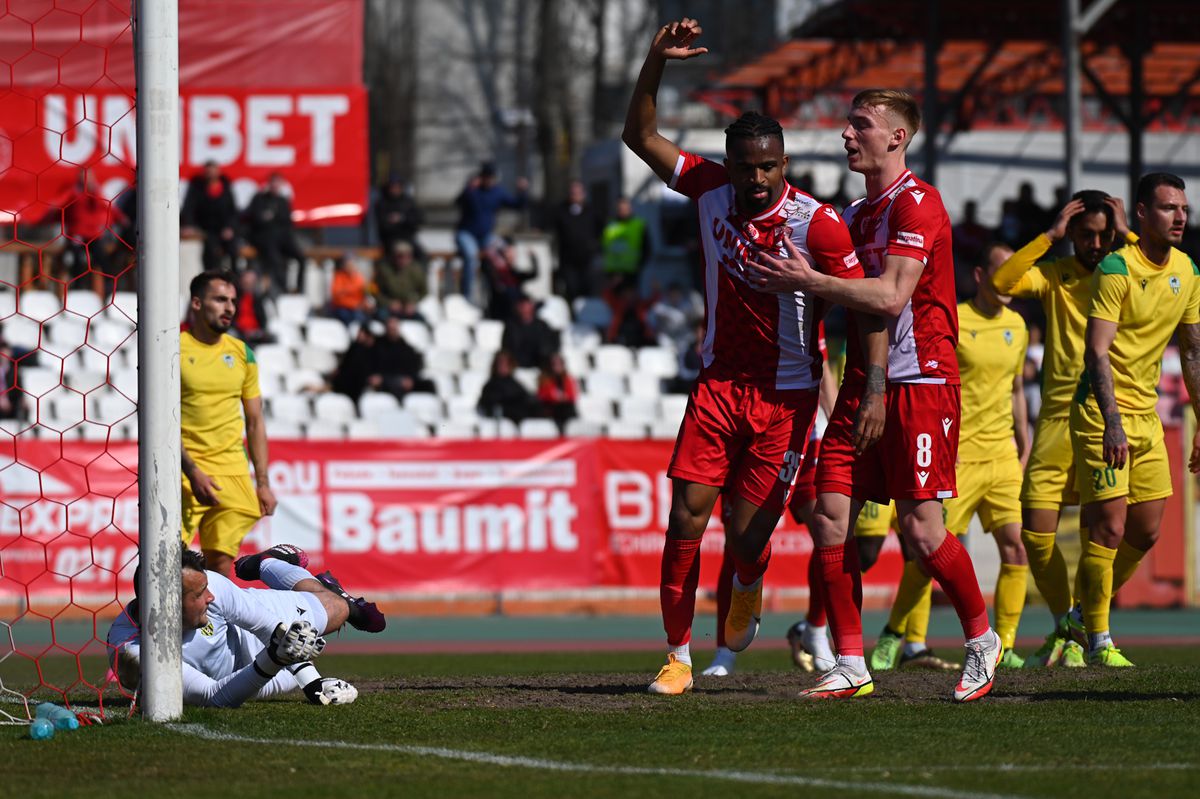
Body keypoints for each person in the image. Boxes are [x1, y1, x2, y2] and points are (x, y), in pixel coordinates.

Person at [623, 17, 866, 696]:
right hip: (718, 387)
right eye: (746, 167)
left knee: (748, 539)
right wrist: (655, 61)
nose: (757, 179)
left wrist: (857, 384)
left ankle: (748, 584)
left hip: (786, 401)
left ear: (784, 164)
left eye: (769, 166)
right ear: (728, 165)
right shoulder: (706, 190)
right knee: (684, 520)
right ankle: (677, 655)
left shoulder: (816, 223)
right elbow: (638, 136)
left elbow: (863, 300)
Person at [751, 89, 1003, 702]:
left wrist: (812, 280)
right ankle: (852, 661)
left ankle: (981, 641)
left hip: (921, 383)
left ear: (896, 138)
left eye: (859, 125)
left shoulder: (920, 204)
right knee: (830, 518)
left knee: (920, 531)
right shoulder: (857, 217)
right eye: (847, 124)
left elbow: (890, 298)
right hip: (867, 382)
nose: (845, 135)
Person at [991, 190, 1131, 668]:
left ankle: (1085, 628)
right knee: (1036, 534)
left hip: (1099, 417)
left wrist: (1128, 231)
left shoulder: (1124, 272)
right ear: (1072, 234)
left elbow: (1164, 268)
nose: (1095, 244)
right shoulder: (1056, 275)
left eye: (1102, 235)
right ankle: (1065, 624)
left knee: (1101, 533)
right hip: (1054, 420)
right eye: (1085, 235)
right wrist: (1046, 238)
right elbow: (1002, 279)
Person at [875, 243, 1031, 669]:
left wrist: (1025, 441)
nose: (1011, 282)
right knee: (930, 552)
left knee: (1016, 548)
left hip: (1002, 455)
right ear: (980, 276)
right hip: (959, 454)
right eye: (1003, 272)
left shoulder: (1018, 325)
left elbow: (1016, 389)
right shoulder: (955, 319)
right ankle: (898, 634)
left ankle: (1008, 645)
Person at [1071, 172, 1200, 666]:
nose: (1180, 216)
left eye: (1183, 208)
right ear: (1142, 214)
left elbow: (1192, 352)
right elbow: (1096, 352)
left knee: (1145, 532)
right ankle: (1100, 639)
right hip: (1101, 413)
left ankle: (1083, 612)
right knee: (1109, 525)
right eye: (1169, 208)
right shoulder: (1115, 267)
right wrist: (1112, 421)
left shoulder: (1187, 271)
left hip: (1145, 415)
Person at [106, 544, 384, 708]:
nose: (210, 596)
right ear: (167, 603)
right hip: (250, 675)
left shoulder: (211, 585)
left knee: (339, 609)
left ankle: (269, 563)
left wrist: (306, 677)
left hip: (248, 637)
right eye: (199, 595)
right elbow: (213, 696)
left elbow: (271, 630)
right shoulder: (131, 649)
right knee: (283, 677)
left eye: (206, 588)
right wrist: (286, 665)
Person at [181, 270, 277, 578]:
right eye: (220, 300)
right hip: (182, 470)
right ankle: (151, 625)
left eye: (233, 301)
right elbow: (159, 420)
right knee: (169, 564)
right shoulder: (171, 348)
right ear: (197, 303)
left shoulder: (241, 353)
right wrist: (191, 470)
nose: (230, 308)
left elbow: (255, 420)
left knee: (221, 565)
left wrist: (262, 483)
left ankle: (213, 628)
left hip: (231, 469)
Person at [455, 162, 529, 305]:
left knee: (505, 251)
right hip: (467, 233)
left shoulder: (497, 192)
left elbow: (517, 205)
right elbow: (458, 202)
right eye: (486, 177)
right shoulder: (473, 191)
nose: (489, 180)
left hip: (485, 235)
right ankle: (467, 298)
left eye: (491, 177)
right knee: (471, 257)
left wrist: (522, 192)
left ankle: (505, 293)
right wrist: (468, 188)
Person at [245, 173, 306, 294]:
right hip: (265, 239)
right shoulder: (259, 199)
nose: (275, 186)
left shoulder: (283, 201)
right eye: (273, 183)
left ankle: (299, 288)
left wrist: (271, 218)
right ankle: (283, 289)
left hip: (282, 239)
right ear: (269, 184)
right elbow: (256, 220)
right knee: (276, 260)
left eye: (278, 183)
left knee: (301, 258)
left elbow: (287, 223)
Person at [181, 160, 241, 272]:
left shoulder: (226, 187)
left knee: (233, 248)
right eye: (208, 172)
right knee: (211, 249)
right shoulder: (197, 187)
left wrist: (230, 228)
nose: (210, 174)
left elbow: (232, 211)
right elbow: (189, 207)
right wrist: (189, 225)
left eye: (213, 171)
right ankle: (211, 275)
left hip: (223, 229)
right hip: (205, 228)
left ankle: (235, 278)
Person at [551, 180, 603, 302]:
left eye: (578, 193)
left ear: (583, 194)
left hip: (588, 260)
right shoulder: (561, 211)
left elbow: (600, 230)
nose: (575, 196)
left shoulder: (592, 211)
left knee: (589, 290)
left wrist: (594, 247)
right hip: (568, 260)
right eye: (573, 193)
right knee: (572, 290)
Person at [601, 197, 650, 293]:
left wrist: (639, 267)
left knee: (631, 303)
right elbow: (604, 247)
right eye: (620, 209)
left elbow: (647, 249)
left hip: (632, 273)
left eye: (625, 209)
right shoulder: (610, 225)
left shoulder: (639, 224)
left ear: (630, 209)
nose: (623, 211)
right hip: (613, 274)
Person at [477, 349, 538, 424]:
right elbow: (490, 405)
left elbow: (526, 400)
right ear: (495, 365)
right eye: (500, 363)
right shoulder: (490, 386)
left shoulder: (516, 385)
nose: (503, 366)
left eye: (506, 363)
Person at [501, 295, 559, 369]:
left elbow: (550, 346)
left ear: (532, 306)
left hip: (540, 365)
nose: (524, 308)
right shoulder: (511, 326)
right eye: (521, 306)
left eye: (526, 305)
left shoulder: (542, 325)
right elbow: (506, 348)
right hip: (516, 365)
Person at [374, 175, 424, 261]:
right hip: (390, 240)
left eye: (397, 187)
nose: (395, 189)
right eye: (393, 187)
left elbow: (419, 219)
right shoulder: (382, 203)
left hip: (408, 238)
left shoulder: (408, 202)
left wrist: (401, 219)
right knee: (399, 256)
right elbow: (384, 226)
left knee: (422, 257)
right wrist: (401, 223)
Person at [374, 241, 428, 320]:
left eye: (407, 256)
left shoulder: (417, 270)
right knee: (380, 317)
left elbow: (424, 291)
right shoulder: (384, 270)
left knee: (423, 321)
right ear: (393, 256)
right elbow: (374, 290)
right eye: (400, 256)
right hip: (388, 308)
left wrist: (413, 302)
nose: (403, 259)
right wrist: (388, 303)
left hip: (408, 308)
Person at [536, 352, 578, 433]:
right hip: (551, 409)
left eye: (560, 364)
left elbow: (571, 395)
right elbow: (542, 395)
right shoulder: (544, 379)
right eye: (555, 364)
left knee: (569, 408)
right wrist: (555, 397)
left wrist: (563, 397)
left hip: (565, 409)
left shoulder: (568, 379)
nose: (557, 367)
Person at [231, 268, 272, 346]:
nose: (249, 285)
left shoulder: (258, 300)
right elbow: (232, 320)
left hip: (256, 332)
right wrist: (242, 331)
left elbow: (263, 320)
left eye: (251, 283)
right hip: (239, 333)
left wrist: (257, 331)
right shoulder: (235, 300)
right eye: (246, 283)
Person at [328, 255, 371, 325]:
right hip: (342, 308)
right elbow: (336, 295)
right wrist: (351, 292)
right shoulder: (339, 277)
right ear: (344, 265)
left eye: (352, 264)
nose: (350, 266)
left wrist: (346, 291)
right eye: (348, 264)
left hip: (356, 308)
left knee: (363, 319)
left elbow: (363, 293)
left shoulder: (359, 277)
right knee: (346, 317)